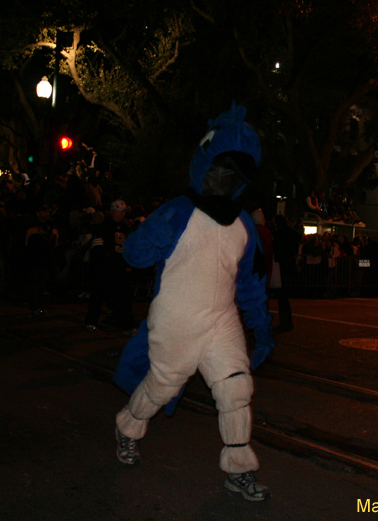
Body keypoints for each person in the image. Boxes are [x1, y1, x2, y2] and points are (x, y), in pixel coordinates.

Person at [112, 104, 274, 501]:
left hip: (221, 319)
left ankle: (238, 470)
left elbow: (251, 283)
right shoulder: (178, 210)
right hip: (176, 317)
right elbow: (134, 255)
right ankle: (128, 425)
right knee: (164, 385)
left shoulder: (244, 224)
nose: (224, 178)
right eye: (220, 167)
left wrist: (262, 326)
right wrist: (149, 234)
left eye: (234, 172)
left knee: (236, 389)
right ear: (205, 164)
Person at [84, 199, 136, 333]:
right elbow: (97, 247)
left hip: (120, 269)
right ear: (112, 211)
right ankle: (91, 321)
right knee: (98, 296)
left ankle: (127, 325)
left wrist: (129, 264)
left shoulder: (126, 228)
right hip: (105, 268)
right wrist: (101, 265)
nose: (122, 214)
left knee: (124, 298)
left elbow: (130, 247)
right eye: (119, 211)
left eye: (123, 212)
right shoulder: (103, 227)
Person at [272, 214, 301, 333]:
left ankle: (285, 323)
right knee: (284, 296)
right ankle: (287, 322)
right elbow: (298, 239)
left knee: (282, 296)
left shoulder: (279, 234)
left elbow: (276, 249)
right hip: (288, 265)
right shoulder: (291, 233)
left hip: (282, 266)